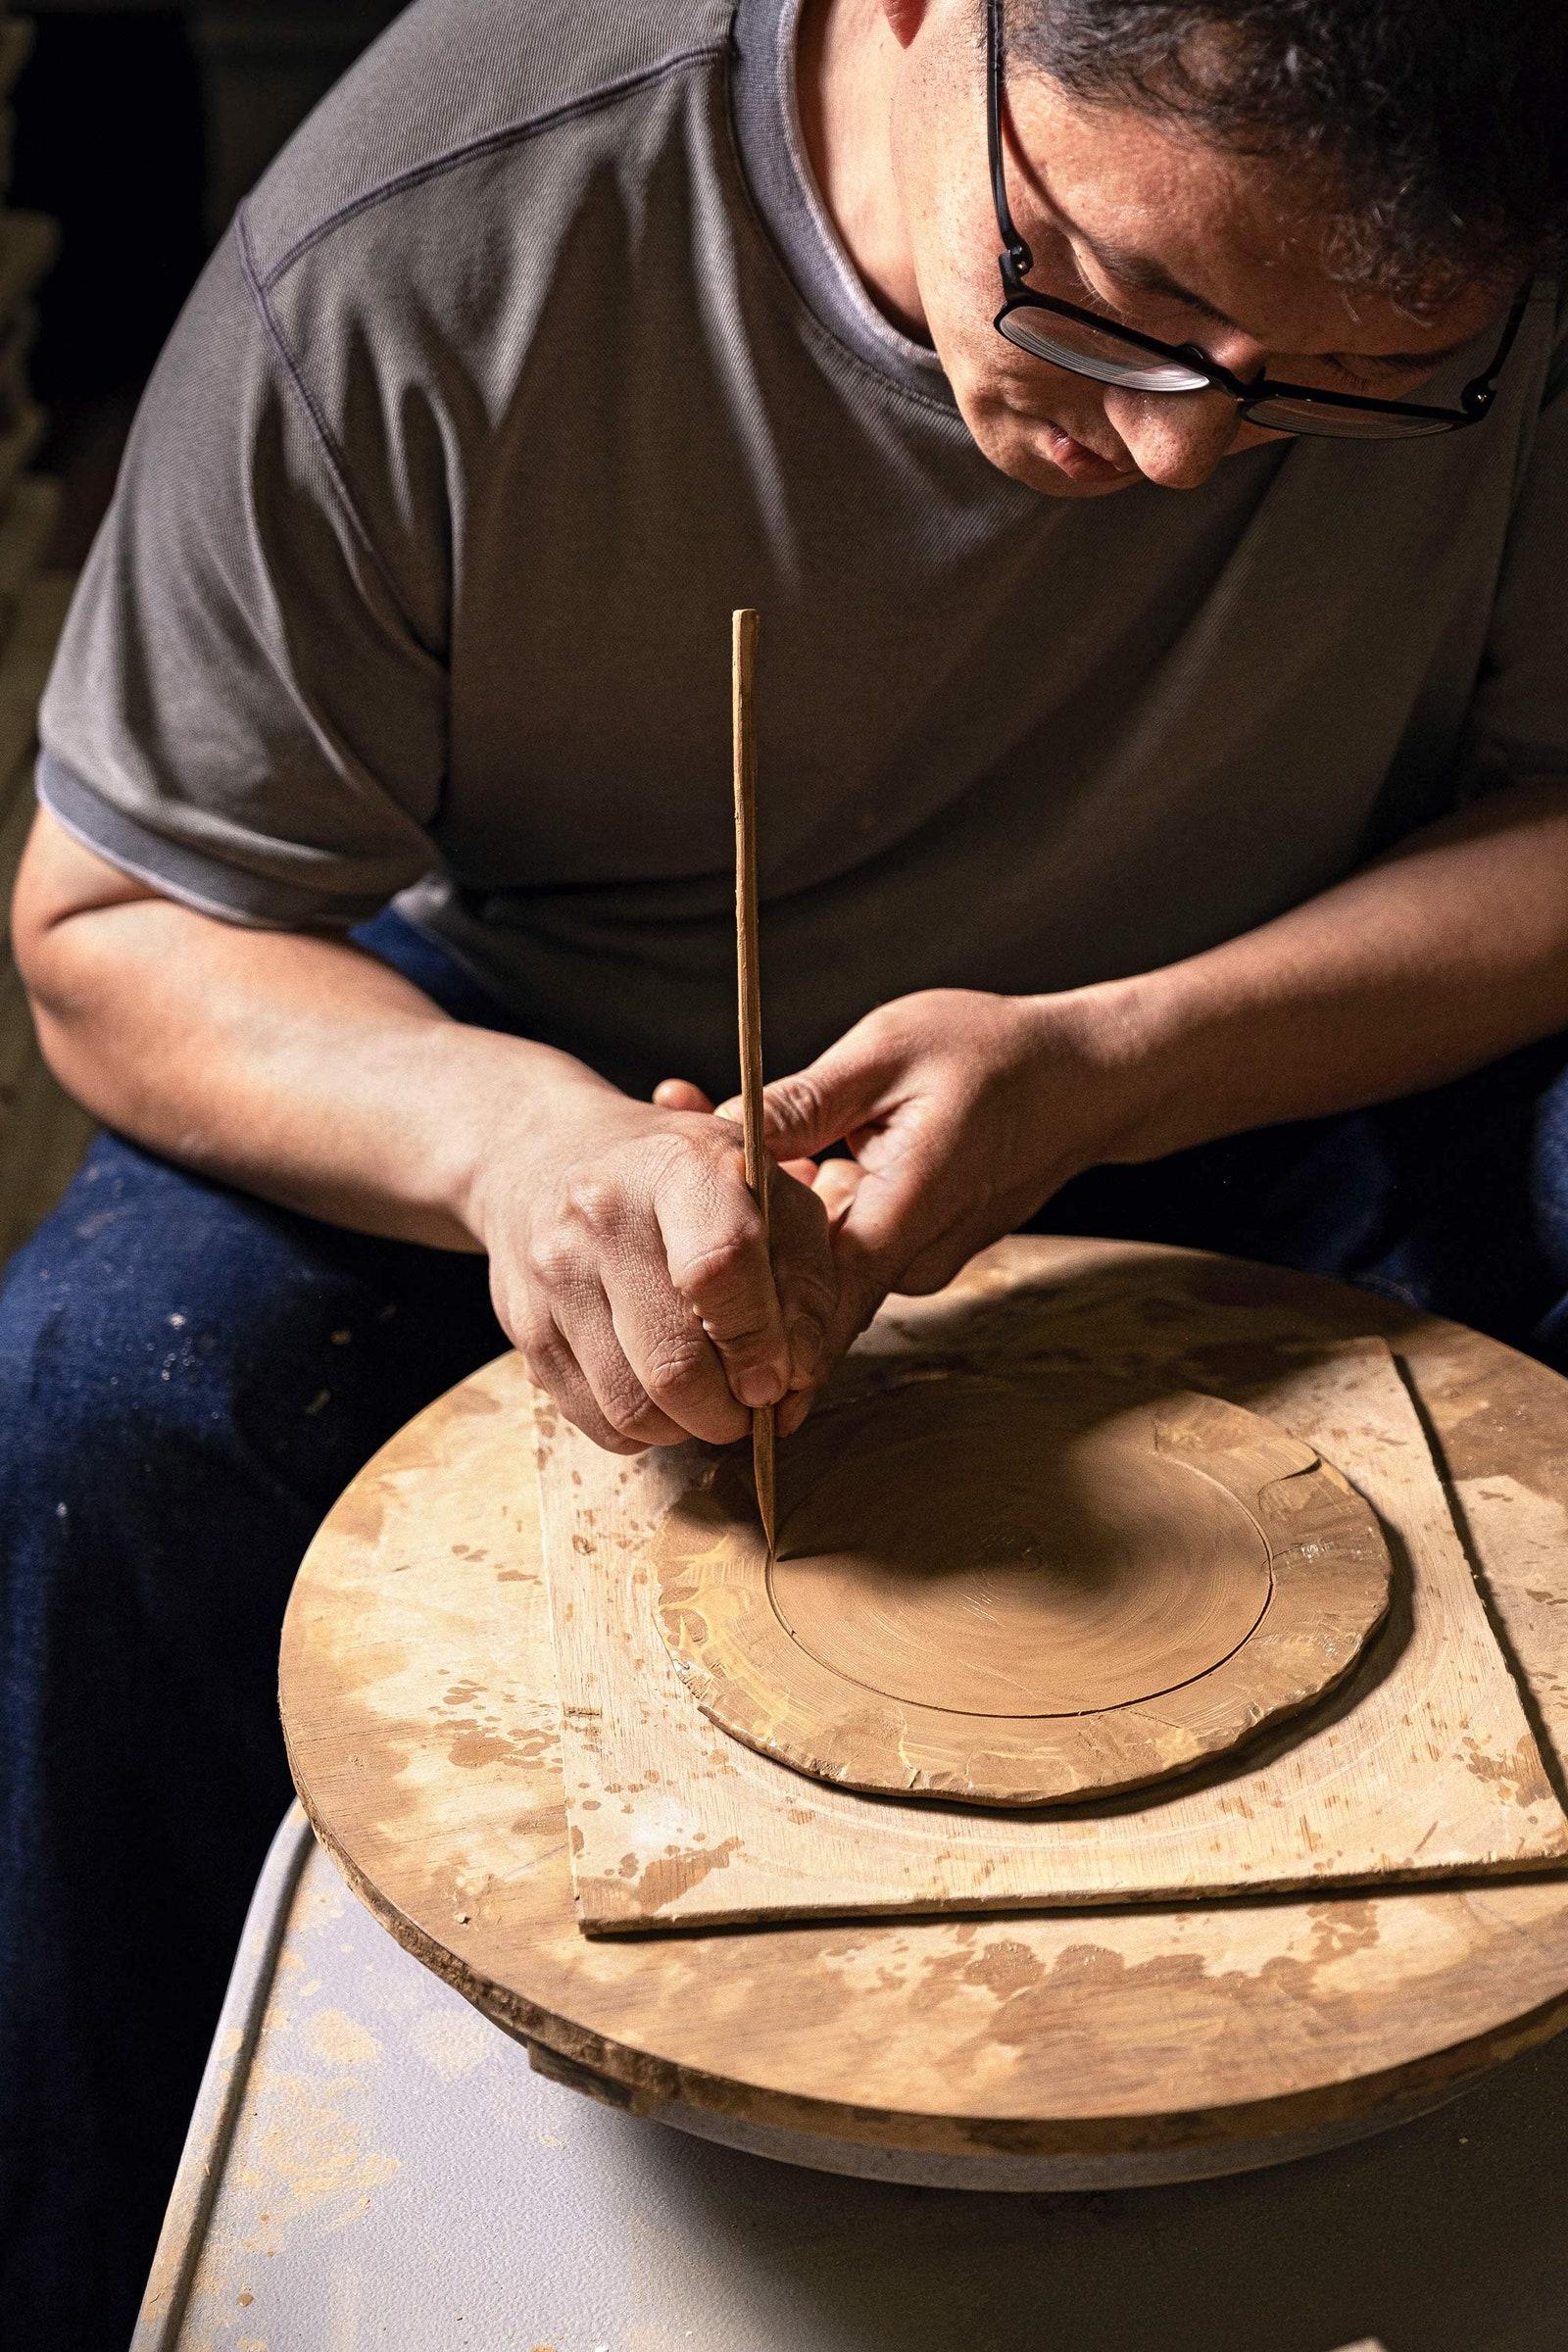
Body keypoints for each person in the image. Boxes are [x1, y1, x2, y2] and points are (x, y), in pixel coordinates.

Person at [5, 0, 1568, 2333]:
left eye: (1327, 379)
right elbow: (114, 928)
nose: (1172, 447)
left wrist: (1118, 1062)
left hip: (1267, 1031)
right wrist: (513, 1149)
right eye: (1115, 296)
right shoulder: (439, 228)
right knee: (101, 1420)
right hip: (586, 1096)